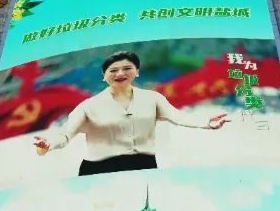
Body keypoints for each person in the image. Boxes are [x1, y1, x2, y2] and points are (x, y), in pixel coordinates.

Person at [33, 51, 228, 176]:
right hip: (99, 170)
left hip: (143, 166)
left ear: (137, 72)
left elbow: (179, 117)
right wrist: (48, 145)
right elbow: (65, 134)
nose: (120, 74)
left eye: (127, 68)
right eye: (113, 70)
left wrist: (206, 122)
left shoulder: (153, 98)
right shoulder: (88, 106)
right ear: (104, 76)